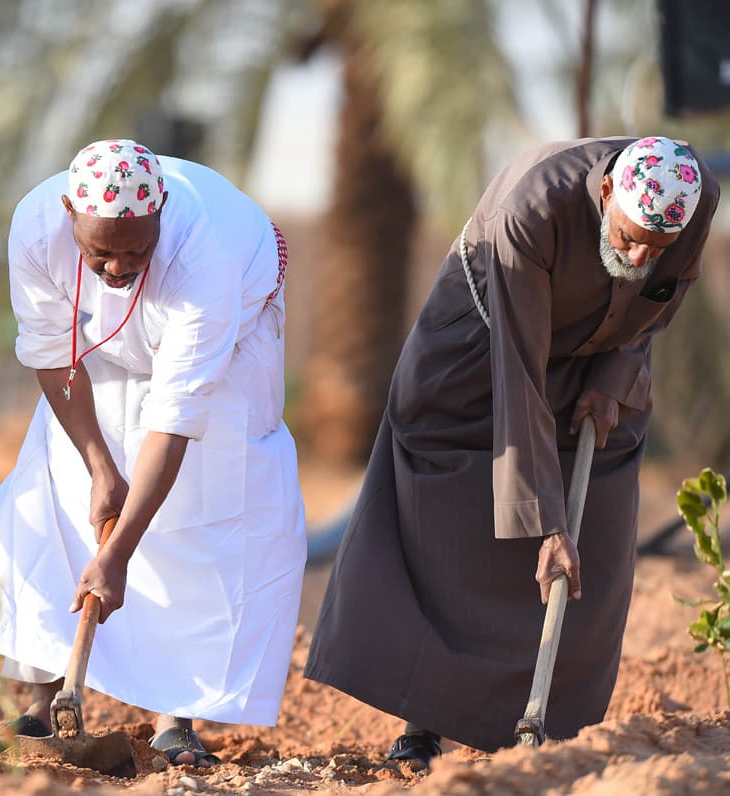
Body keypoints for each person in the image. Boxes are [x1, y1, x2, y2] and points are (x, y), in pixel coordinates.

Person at [303, 136, 719, 764]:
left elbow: (661, 298)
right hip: (482, 349)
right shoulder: (531, 210)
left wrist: (613, 380)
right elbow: (520, 373)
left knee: (599, 533)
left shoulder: (693, 198)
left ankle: (554, 729)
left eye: (655, 248)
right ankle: (424, 722)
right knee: (458, 532)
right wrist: (547, 524)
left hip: (600, 352)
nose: (639, 257)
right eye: (629, 237)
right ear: (607, 192)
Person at [0, 139, 305, 766]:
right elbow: (52, 354)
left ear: (160, 213)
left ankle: (174, 719)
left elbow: (177, 416)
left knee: (195, 512)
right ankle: (39, 707)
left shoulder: (207, 253)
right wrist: (99, 467)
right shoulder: (36, 227)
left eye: (136, 251)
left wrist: (118, 554)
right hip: (100, 347)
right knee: (59, 492)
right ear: (68, 214)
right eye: (100, 253)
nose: (116, 268)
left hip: (229, 348)